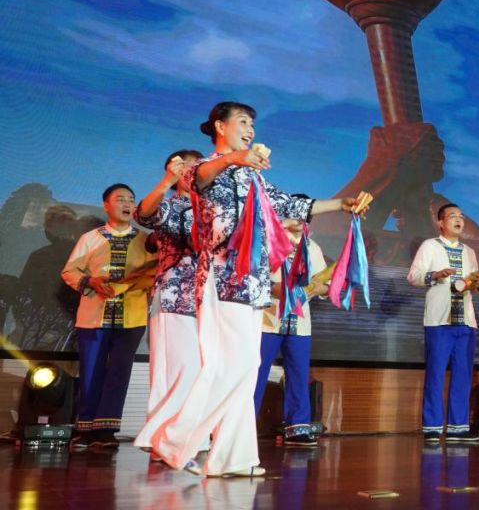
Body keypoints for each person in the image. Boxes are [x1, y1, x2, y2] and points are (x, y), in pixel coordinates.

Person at [151, 101, 364, 477]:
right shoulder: (207, 168)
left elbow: (289, 204)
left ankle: (233, 457)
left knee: (247, 369)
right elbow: (199, 176)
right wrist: (237, 158)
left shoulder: (253, 178)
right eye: (243, 122)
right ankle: (173, 439)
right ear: (221, 126)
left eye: (252, 124)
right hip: (222, 276)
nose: (250, 129)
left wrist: (340, 205)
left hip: (252, 282)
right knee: (235, 364)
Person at [61, 183, 154, 448]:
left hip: (132, 317)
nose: (127, 204)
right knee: (91, 371)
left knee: (119, 372)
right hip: (93, 317)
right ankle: (85, 427)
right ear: (106, 205)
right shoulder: (90, 238)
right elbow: (69, 272)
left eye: (131, 200)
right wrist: (90, 281)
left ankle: (107, 429)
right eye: (120, 199)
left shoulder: (146, 240)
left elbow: (155, 272)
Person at [132, 150, 206, 455]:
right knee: (176, 368)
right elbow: (144, 214)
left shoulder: (210, 207)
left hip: (208, 298)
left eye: (200, 168)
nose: (195, 174)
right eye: (189, 169)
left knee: (199, 368)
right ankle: (161, 436)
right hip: (175, 294)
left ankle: (186, 436)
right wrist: (165, 182)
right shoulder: (171, 204)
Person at [408, 203, 479, 444]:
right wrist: (434, 275)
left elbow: (475, 283)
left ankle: (458, 428)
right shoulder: (430, 246)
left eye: (461, 216)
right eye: (452, 216)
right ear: (440, 222)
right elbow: (413, 276)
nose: (458, 220)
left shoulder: (469, 252)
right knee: (435, 374)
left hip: (466, 321)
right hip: (439, 321)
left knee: (462, 375)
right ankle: (432, 427)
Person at [253, 218, 329, 447]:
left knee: (298, 374)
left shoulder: (312, 248)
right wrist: (272, 288)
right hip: (268, 319)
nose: (301, 219)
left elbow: (324, 283)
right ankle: (242, 425)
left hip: (299, 322)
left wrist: (321, 288)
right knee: (256, 372)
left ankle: (298, 426)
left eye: (305, 216)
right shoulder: (267, 240)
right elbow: (251, 275)